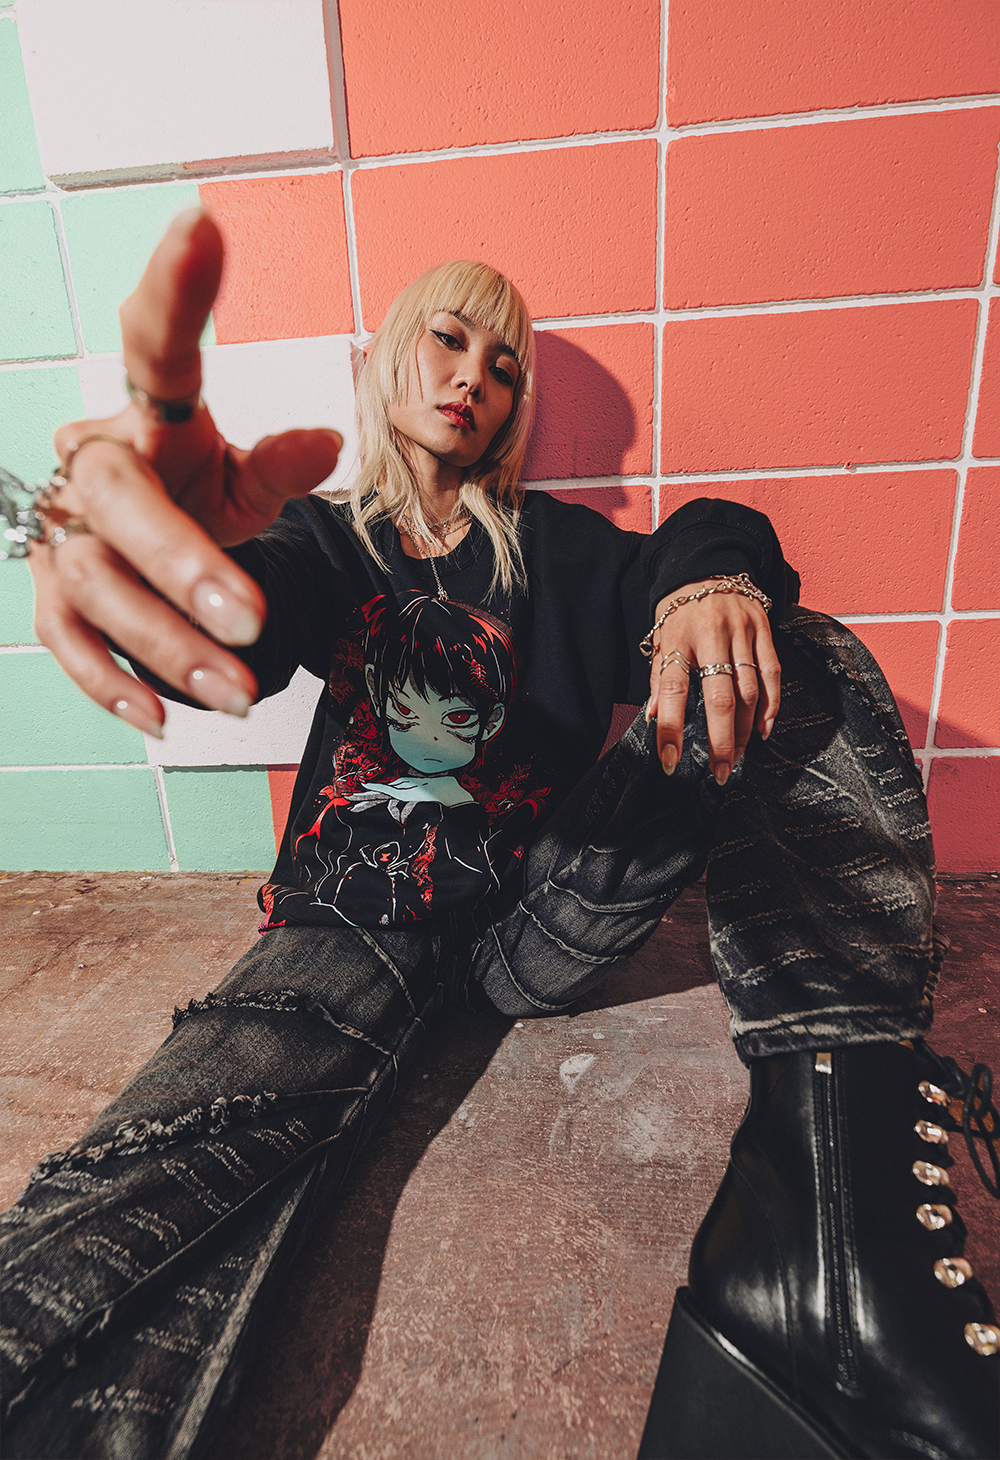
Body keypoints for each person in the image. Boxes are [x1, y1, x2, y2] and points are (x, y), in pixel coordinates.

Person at [1, 208, 997, 1460]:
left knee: (786, 651)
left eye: (504, 363)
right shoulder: (327, 539)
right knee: (180, 1148)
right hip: (358, 910)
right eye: (448, 338)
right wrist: (159, 554)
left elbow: (699, 533)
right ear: (389, 358)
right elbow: (240, 618)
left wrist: (708, 580)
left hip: (540, 915)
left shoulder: (561, 553)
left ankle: (833, 1227)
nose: (474, 375)